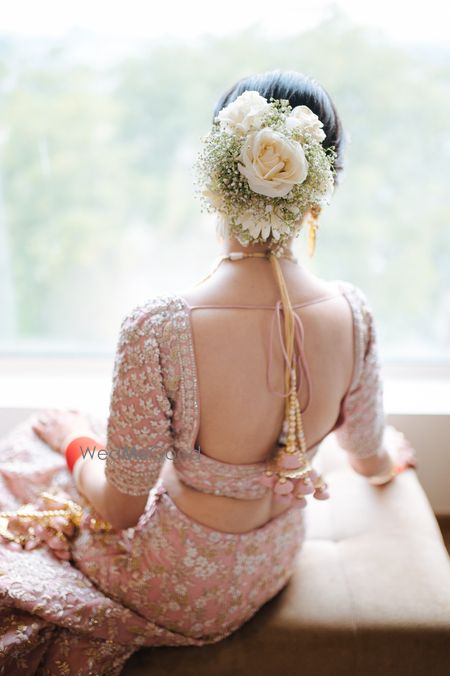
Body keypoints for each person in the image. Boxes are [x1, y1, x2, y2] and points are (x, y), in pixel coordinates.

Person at [0, 69, 416, 674]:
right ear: (321, 189)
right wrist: (388, 459)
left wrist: (74, 441)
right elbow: (367, 456)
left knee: (41, 439)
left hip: (171, 582)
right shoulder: (353, 313)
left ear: (218, 175)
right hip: (271, 563)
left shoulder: (160, 325)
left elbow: (118, 509)